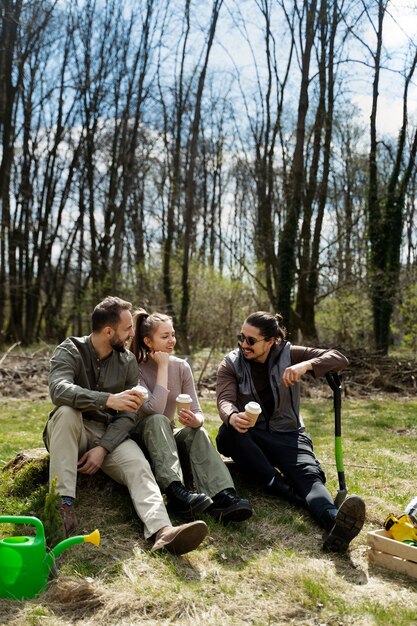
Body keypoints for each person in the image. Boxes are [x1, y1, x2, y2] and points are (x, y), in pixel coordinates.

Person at [43, 296, 208, 555]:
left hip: (109, 432)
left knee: (138, 465)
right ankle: (62, 508)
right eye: (128, 328)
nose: (133, 333)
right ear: (109, 331)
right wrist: (107, 399)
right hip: (70, 430)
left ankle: (163, 531)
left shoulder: (127, 361)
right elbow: (59, 389)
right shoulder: (70, 349)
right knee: (65, 412)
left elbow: (129, 414)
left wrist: (104, 448)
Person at [215, 311, 366, 553]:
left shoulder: (289, 352)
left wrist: (307, 365)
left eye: (251, 340)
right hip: (251, 434)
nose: (244, 344)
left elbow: (338, 358)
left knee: (309, 478)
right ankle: (282, 488)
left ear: (271, 340)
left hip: (289, 435)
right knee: (228, 434)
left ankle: (334, 522)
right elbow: (225, 400)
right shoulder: (231, 363)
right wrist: (233, 417)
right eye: (241, 338)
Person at [130, 309, 253, 524]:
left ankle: (223, 496)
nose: (172, 341)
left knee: (198, 431)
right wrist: (163, 366)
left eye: (173, 335)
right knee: (159, 420)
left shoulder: (182, 366)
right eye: (165, 336)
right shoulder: (135, 368)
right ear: (148, 341)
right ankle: (176, 492)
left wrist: (196, 420)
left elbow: (198, 411)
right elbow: (154, 410)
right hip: (141, 435)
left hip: (168, 433)